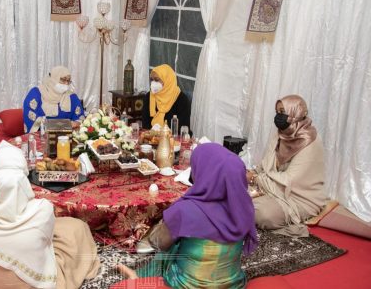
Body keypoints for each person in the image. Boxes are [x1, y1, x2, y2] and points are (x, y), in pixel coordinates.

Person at [118, 143, 258, 288]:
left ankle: (139, 277)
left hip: (187, 286)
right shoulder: (243, 208)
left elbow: (160, 244)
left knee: (171, 245)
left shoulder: (185, 210)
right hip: (233, 285)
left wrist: (162, 225)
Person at [0, 140, 100, 289]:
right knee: (77, 228)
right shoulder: (42, 209)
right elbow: (47, 242)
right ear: (24, 178)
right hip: (29, 284)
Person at [248, 95, 327, 237]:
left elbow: (289, 182)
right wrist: (252, 172)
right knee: (232, 186)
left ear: (295, 113)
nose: (279, 117)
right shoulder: (281, 134)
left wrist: (255, 179)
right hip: (271, 188)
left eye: (283, 112)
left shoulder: (310, 143)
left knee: (263, 214)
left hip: (296, 197)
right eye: (277, 112)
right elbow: (266, 164)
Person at [23, 66, 84, 133]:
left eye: (68, 81)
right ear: (53, 78)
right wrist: (60, 126)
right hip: (41, 136)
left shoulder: (71, 97)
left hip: (66, 138)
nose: (66, 84)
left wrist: (76, 123)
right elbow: (30, 116)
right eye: (63, 80)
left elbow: (79, 119)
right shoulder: (36, 93)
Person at [141, 64, 191, 130]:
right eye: (151, 80)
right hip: (152, 137)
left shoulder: (181, 99)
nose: (153, 83)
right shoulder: (149, 96)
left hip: (174, 138)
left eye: (156, 80)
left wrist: (163, 133)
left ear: (167, 80)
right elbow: (145, 124)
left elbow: (183, 127)